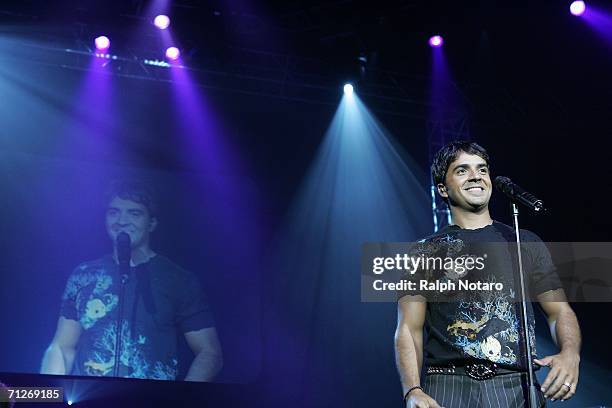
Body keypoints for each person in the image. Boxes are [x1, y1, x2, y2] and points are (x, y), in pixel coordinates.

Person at [395, 141, 581, 407]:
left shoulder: (523, 242)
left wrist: (570, 352)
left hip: (517, 387)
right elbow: (408, 329)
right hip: (448, 387)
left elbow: (559, 311)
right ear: (442, 189)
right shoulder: (424, 252)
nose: (476, 176)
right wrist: (412, 389)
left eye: (482, 169)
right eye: (462, 170)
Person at [41, 180, 222, 381]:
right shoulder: (84, 274)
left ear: (152, 223)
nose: (122, 220)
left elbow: (209, 352)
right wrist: (47, 396)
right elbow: (62, 347)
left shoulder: (178, 279)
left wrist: (181, 399)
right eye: (113, 212)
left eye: (134, 213)